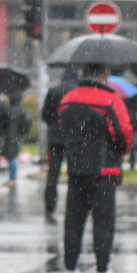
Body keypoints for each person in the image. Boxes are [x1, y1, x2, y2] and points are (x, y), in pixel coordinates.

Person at [58, 63, 133, 273]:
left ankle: (70, 271)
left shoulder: (68, 99)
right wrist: (120, 150)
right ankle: (102, 272)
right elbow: (123, 132)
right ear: (104, 74)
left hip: (76, 169)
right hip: (103, 170)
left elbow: (63, 127)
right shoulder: (110, 100)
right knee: (103, 221)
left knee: (73, 220)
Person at [41, 68, 77, 218]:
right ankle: (73, 205)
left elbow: (45, 114)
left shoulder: (54, 91)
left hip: (55, 138)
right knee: (74, 174)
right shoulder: (77, 92)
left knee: (53, 173)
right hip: (73, 138)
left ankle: (50, 203)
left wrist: (54, 125)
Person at [0, 92, 29, 184]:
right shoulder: (21, 111)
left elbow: (4, 124)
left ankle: (13, 177)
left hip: (10, 136)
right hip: (17, 136)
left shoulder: (9, 111)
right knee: (11, 157)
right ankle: (12, 177)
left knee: (11, 157)